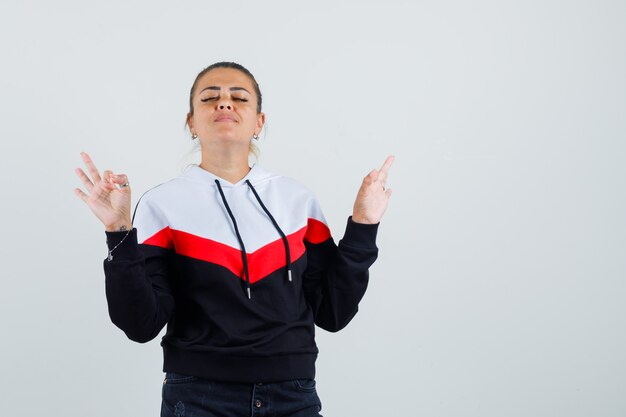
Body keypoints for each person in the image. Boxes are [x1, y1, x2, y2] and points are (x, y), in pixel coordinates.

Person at [74, 62, 394, 417]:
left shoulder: (297, 201)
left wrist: (363, 225)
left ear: (259, 122)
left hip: (293, 396)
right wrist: (118, 232)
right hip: (197, 397)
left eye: (239, 98)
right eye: (210, 98)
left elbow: (334, 312)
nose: (224, 104)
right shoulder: (161, 205)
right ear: (191, 123)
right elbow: (140, 324)